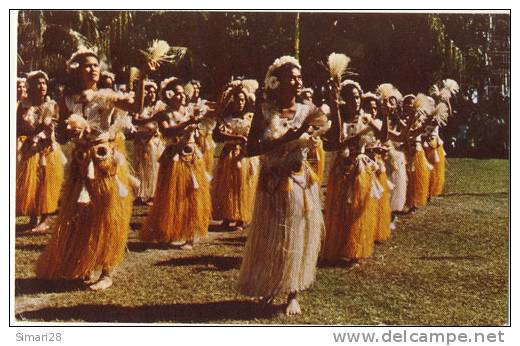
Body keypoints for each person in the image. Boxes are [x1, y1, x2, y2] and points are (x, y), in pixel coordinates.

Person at [36, 48, 141, 290]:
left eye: (96, 65)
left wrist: (143, 76)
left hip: (105, 162)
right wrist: (68, 130)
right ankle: (84, 264)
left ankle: (106, 271)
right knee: (80, 216)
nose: (93, 69)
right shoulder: (67, 100)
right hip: (81, 165)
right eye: (88, 65)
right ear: (77, 70)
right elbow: (61, 135)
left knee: (107, 214)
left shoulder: (106, 96)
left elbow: (136, 106)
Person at [237, 56, 329, 315]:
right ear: (277, 82)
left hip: (298, 182)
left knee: (296, 234)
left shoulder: (308, 110)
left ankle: (293, 293)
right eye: (292, 77)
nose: (298, 81)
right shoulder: (264, 110)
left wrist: (333, 102)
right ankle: (270, 286)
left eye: (300, 77)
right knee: (272, 237)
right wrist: (285, 139)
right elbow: (251, 148)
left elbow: (330, 134)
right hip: (271, 183)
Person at [139, 77, 211, 250]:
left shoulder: (192, 110)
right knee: (171, 195)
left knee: (190, 194)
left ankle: (189, 233)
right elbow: (166, 131)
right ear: (168, 95)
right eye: (177, 94)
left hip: (191, 156)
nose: (182, 97)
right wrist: (188, 123)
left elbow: (213, 113)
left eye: (183, 93)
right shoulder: (164, 114)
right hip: (172, 157)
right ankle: (169, 230)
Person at [321, 80, 383, 265]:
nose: (355, 101)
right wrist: (334, 106)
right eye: (350, 98)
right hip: (341, 167)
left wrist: (385, 117)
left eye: (357, 97)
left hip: (360, 168)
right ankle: (338, 247)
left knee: (356, 208)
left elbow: (384, 136)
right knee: (339, 208)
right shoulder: (337, 119)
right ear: (343, 100)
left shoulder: (366, 119)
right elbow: (333, 142)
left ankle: (355, 249)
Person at [16, 70, 66, 232]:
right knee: (31, 183)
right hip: (30, 148)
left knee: (46, 181)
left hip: (48, 148)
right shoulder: (23, 106)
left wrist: (49, 131)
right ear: (30, 86)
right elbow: (17, 128)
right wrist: (35, 130)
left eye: (44, 83)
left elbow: (55, 126)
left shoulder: (51, 105)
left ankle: (45, 218)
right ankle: (33, 217)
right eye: (38, 83)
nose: (42, 86)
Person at [212, 80, 260, 230]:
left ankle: (241, 217)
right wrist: (235, 138)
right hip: (229, 155)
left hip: (245, 156)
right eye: (236, 99)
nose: (239, 103)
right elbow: (217, 135)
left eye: (242, 100)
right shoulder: (226, 118)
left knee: (243, 185)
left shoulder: (251, 117)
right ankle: (227, 216)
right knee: (227, 185)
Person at [132, 80, 165, 205]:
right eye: (148, 92)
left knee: (153, 167)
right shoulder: (139, 107)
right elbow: (135, 121)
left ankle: (152, 194)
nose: (151, 94)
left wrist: (149, 121)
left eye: (153, 92)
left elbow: (160, 122)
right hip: (141, 140)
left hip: (154, 141)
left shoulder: (158, 107)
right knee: (140, 167)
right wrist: (151, 119)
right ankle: (140, 193)